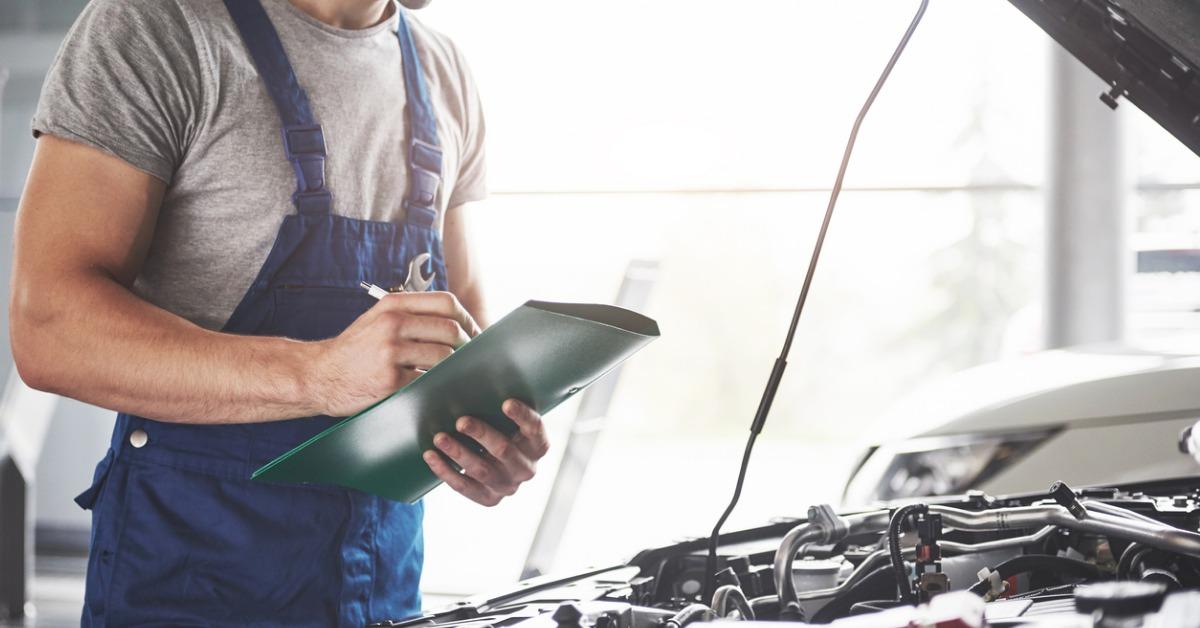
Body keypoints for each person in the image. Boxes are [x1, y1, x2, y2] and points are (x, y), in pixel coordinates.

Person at [10, 0, 550, 624]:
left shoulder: (441, 69)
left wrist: (488, 436)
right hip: (189, 584)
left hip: (381, 588)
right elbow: (48, 329)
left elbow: (461, 334)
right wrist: (319, 376)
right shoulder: (156, 27)